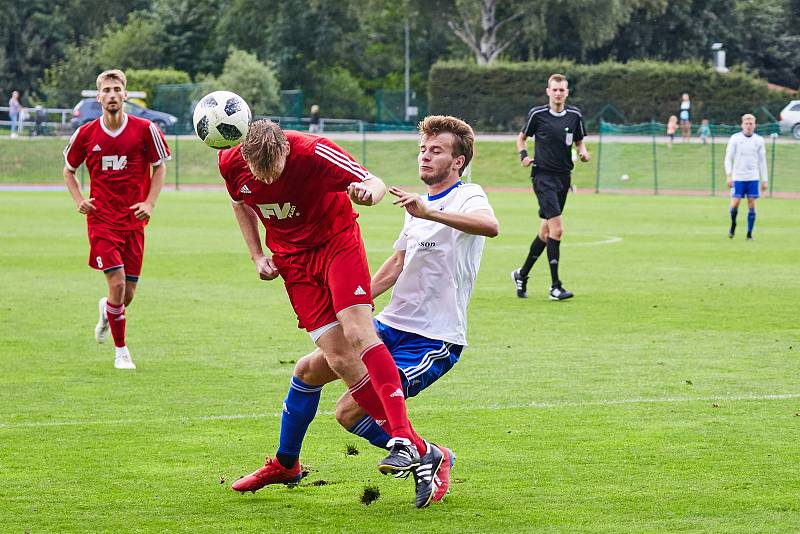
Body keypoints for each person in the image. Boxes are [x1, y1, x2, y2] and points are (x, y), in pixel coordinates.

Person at [228, 115, 498, 507]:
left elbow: (490, 226)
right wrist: (348, 303)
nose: (424, 157)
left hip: (433, 338)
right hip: (390, 324)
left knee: (349, 410)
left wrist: (429, 213)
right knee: (307, 370)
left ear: (458, 161)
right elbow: (395, 266)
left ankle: (432, 455)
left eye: (436, 151)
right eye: (422, 149)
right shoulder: (414, 206)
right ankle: (287, 463)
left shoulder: (467, 195)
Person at [63, 69, 170, 369]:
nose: (111, 94)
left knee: (127, 294)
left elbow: (159, 166)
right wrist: (79, 200)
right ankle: (121, 351)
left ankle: (107, 310)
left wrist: (149, 202)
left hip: (134, 223)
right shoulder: (85, 134)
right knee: (118, 282)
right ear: (98, 97)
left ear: (125, 94)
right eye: (106, 90)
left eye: (116, 89)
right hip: (101, 221)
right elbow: (68, 170)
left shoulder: (145, 129)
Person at [512, 73, 590, 301]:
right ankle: (555, 286)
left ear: (567, 92)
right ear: (548, 91)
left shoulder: (575, 115)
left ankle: (521, 274)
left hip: (564, 177)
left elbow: (579, 141)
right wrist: (524, 156)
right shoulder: (538, 114)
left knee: (546, 233)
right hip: (543, 177)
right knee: (557, 230)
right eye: (554, 89)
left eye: (562, 90)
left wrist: (583, 152)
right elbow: (521, 138)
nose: (558, 93)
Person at [725, 113, 768, 240]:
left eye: (751, 124)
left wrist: (764, 180)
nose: (749, 126)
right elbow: (728, 158)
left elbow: (762, 161)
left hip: (753, 177)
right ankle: (733, 224)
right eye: (746, 124)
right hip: (738, 177)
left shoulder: (759, 140)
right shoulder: (735, 139)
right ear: (742, 125)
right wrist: (729, 175)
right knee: (735, 204)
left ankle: (749, 234)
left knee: (751, 203)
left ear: (754, 125)